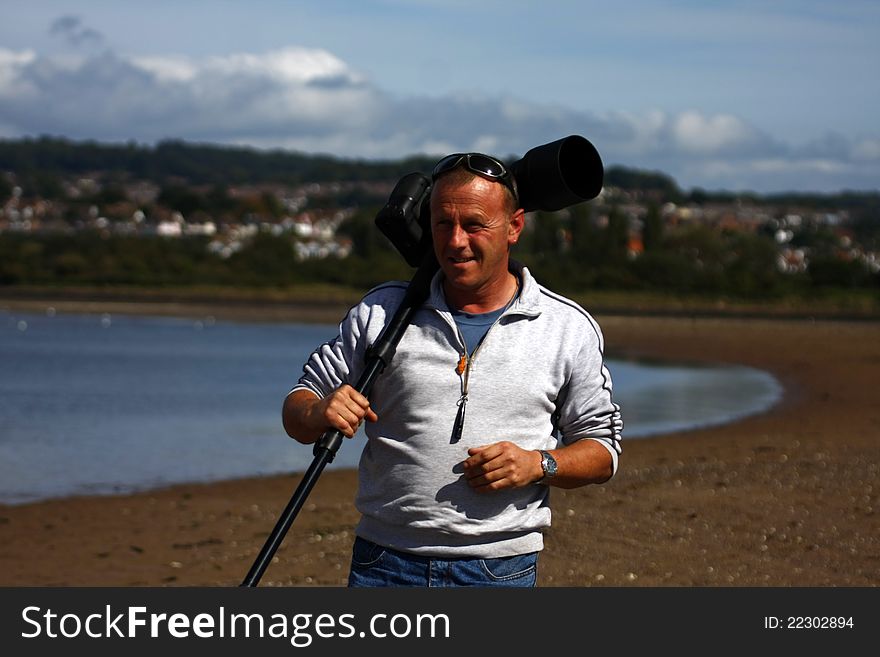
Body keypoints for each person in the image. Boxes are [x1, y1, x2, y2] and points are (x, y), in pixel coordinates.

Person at [282, 151, 623, 587]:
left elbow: (604, 449)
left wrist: (539, 464)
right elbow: (300, 404)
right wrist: (317, 412)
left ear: (514, 226)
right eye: (444, 223)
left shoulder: (566, 328)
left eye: (475, 225)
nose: (456, 240)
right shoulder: (382, 311)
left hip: (499, 569)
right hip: (383, 564)